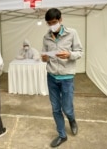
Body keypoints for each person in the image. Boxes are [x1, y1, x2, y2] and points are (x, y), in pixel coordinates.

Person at [41, 8, 83, 148]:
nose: (52, 25)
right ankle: (62, 135)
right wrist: (45, 57)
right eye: (49, 23)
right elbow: (45, 57)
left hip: (66, 77)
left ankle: (72, 119)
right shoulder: (46, 37)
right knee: (55, 108)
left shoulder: (72, 33)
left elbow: (80, 52)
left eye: (54, 22)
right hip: (51, 76)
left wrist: (69, 54)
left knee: (67, 108)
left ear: (60, 20)